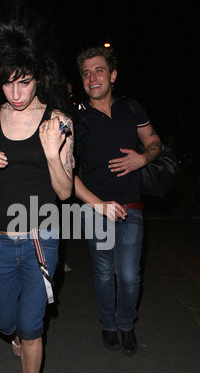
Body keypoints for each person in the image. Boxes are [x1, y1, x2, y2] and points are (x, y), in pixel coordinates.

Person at [0, 0, 74, 373]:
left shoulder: (58, 122)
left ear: (39, 77)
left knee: (32, 327)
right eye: (8, 84)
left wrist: (54, 152)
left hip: (40, 238)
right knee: (5, 322)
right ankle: (15, 332)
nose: (16, 94)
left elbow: (66, 191)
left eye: (25, 82)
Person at [74, 46, 161, 356]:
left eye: (98, 70)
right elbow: (65, 172)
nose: (92, 77)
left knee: (128, 275)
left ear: (112, 75)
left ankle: (127, 324)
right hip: (95, 208)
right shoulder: (77, 119)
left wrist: (142, 158)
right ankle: (109, 324)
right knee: (102, 272)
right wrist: (95, 204)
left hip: (131, 206)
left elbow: (153, 141)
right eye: (86, 73)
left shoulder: (132, 108)